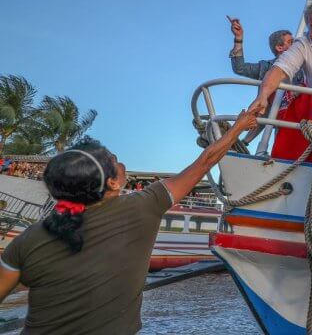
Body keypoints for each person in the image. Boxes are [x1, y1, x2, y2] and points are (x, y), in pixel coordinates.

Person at [0, 108, 260, 333]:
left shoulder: (28, 239)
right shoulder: (143, 206)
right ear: (113, 183)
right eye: (115, 161)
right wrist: (238, 127)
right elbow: (205, 162)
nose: (122, 163)